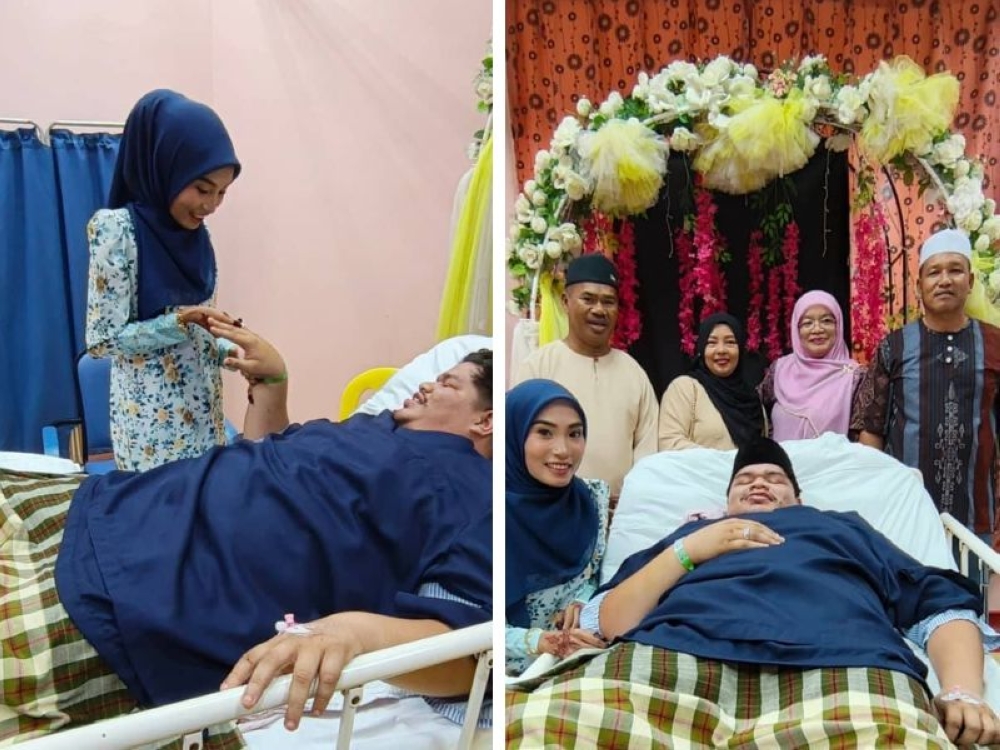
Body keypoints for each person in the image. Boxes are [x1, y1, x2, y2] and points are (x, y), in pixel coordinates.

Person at [0, 315, 492, 746]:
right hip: (105, 505)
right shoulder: (376, 427)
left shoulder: (474, 497)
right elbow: (268, 459)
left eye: (449, 384)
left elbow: (470, 654)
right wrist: (273, 383)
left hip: (146, 592)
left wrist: (359, 632)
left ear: (486, 421)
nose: (426, 384)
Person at [507, 438, 1000, 748]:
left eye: (774, 479)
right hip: (670, 656)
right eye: (745, 480)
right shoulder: (685, 541)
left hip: (843, 664)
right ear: (725, 500)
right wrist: (689, 550)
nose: (758, 484)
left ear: (799, 498)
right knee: (542, 726)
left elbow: (939, 605)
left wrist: (962, 691)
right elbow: (611, 621)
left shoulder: (840, 528)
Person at [86, 89, 242, 471]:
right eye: (202, 189)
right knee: (160, 524)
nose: (211, 205)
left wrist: (230, 353)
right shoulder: (116, 229)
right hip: (150, 439)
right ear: (164, 168)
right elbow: (103, 341)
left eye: (222, 192)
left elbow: (195, 330)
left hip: (206, 422)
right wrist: (179, 322)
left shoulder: (197, 236)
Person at [855, 228, 1000, 541]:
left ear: (971, 282)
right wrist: (883, 493)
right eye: (934, 272)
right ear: (919, 285)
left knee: (971, 589)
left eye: (955, 270)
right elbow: (870, 425)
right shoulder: (893, 347)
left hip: (977, 519)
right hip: (904, 517)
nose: (945, 280)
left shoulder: (995, 344)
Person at [512, 253, 658, 505]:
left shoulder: (633, 372)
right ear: (565, 301)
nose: (599, 310)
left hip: (621, 514)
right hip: (551, 508)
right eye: (588, 299)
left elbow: (649, 447)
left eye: (608, 301)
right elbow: (517, 441)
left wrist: (633, 499)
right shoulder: (539, 366)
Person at [505, 379, 610, 676]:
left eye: (574, 433)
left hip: (578, 661)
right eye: (544, 432)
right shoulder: (482, 510)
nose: (563, 450)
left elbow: (595, 576)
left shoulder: (592, 498)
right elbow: (464, 624)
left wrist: (583, 602)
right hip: (498, 675)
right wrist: (541, 641)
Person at [759, 290, 863, 440]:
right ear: (797, 330)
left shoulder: (855, 377)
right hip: (782, 462)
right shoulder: (780, 370)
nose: (817, 329)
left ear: (838, 326)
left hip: (834, 463)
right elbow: (755, 411)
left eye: (826, 321)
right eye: (807, 323)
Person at [658, 312, 766, 450]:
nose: (721, 350)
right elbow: (669, 443)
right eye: (712, 343)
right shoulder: (685, 389)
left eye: (730, 342)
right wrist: (724, 463)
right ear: (702, 349)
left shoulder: (752, 400)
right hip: (696, 472)